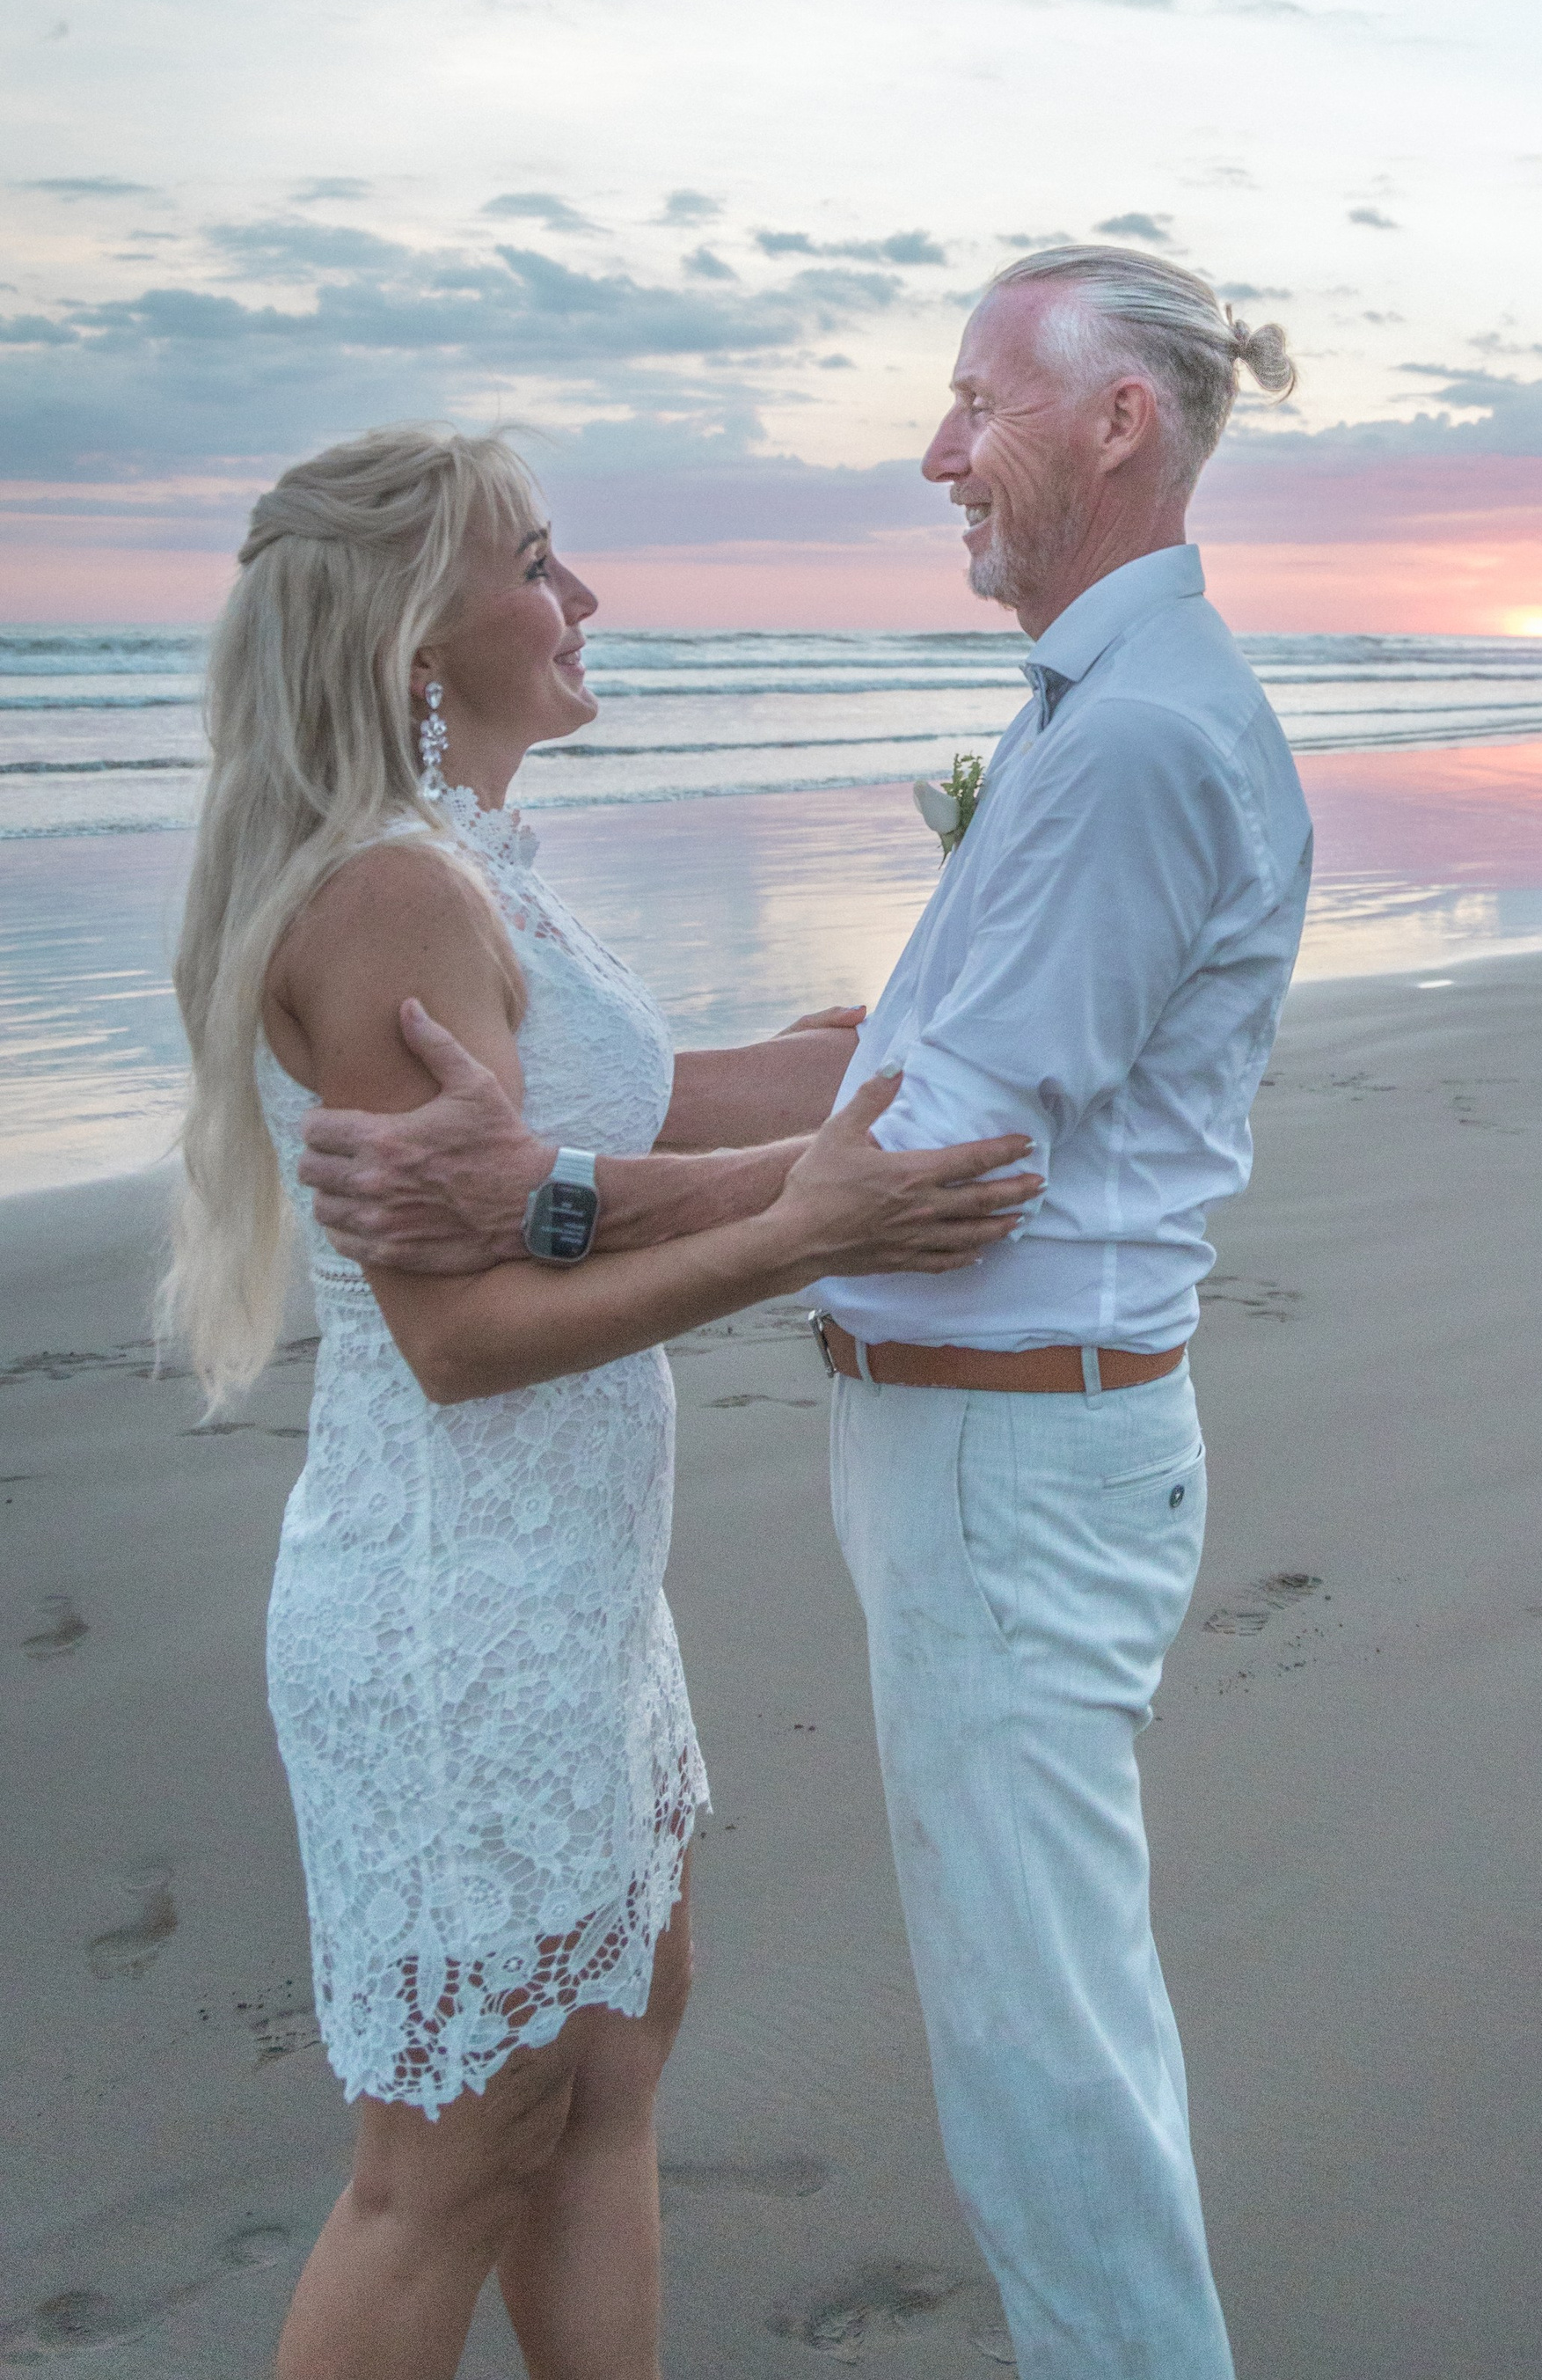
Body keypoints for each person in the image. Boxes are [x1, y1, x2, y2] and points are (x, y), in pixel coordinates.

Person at [303, 253, 1312, 2379]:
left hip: (1010, 1449)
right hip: (909, 1459)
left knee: (1039, 2054)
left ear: (1114, 421)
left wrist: (550, 1190)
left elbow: (926, 1158)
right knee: (929, 2037)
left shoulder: (1127, 735)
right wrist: (677, 1134)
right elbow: (855, 1102)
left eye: (974, 401)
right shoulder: (1083, 714)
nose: (936, 448)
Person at [168, 425, 1036, 2380]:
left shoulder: (468, 862)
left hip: (570, 1597)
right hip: (450, 1610)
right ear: (415, 636)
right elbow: (459, 1335)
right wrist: (817, 1229)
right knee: (446, 2163)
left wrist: (909, 1024)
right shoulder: (384, 895)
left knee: (614, 2065)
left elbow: (627, 1120)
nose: (584, 599)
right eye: (538, 563)